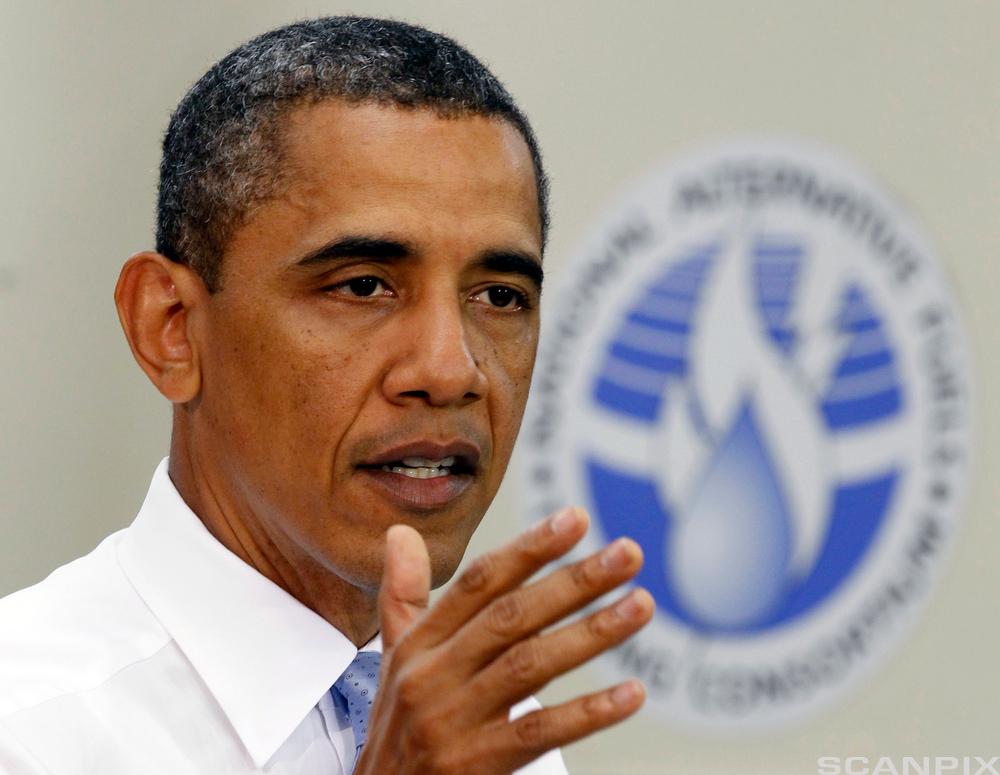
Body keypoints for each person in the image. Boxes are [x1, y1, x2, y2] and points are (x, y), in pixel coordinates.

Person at [0, 16, 653, 774]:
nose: (451, 370)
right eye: (364, 286)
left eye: (500, 296)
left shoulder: (490, 730)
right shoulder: (25, 726)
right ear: (170, 327)